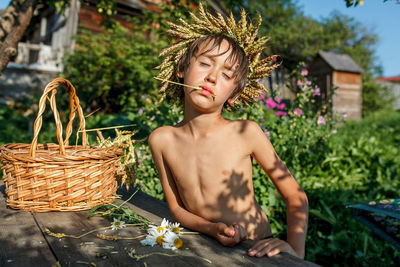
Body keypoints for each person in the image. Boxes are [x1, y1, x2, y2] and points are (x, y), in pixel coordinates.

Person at [148, 3, 308, 259]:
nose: (211, 77)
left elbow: (295, 196)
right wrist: (212, 229)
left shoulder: (245, 133)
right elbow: (177, 209)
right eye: (205, 64)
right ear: (181, 69)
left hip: (257, 249)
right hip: (207, 246)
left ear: (234, 94)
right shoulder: (162, 140)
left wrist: (295, 254)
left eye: (226, 75)